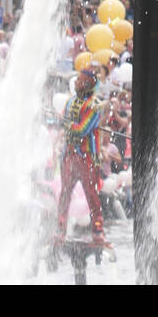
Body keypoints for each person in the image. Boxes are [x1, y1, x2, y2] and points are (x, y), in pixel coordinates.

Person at [56, 69, 109, 246]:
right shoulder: (70, 102)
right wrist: (65, 122)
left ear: (88, 83)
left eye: (80, 80)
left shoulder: (95, 106)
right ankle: (60, 230)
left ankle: (98, 231)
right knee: (65, 194)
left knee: (91, 195)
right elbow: (66, 123)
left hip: (86, 157)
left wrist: (67, 123)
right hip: (69, 156)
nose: (76, 82)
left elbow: (82, 129)